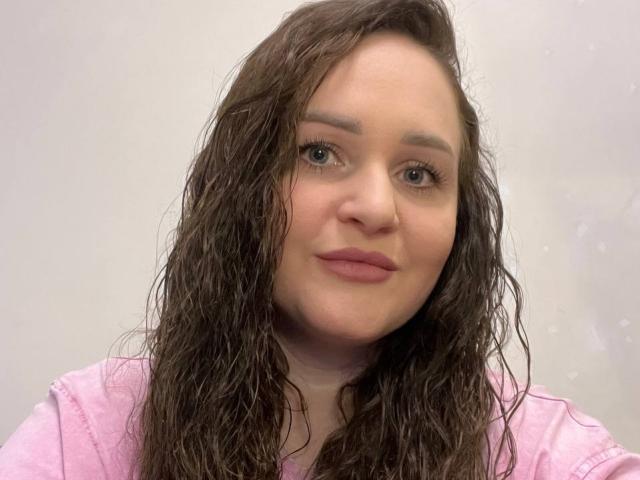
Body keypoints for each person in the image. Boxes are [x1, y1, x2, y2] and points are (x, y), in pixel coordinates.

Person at [0, 0, 638, 479]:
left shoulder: (546, 456)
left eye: (419, 173)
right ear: (243, 182)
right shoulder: (88, 436)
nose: (375, 208)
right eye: (320, 153)